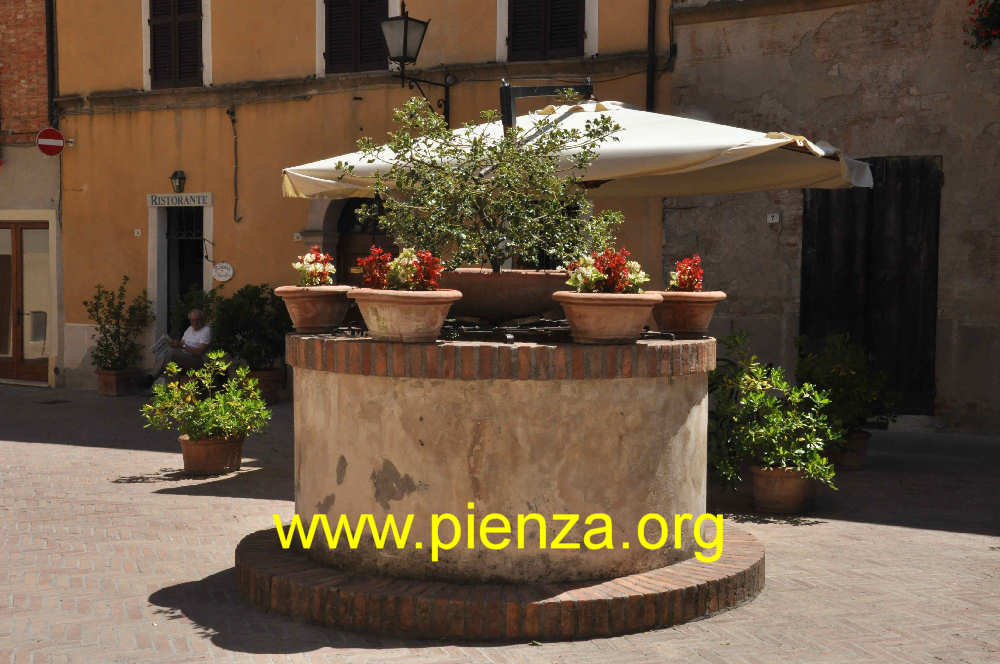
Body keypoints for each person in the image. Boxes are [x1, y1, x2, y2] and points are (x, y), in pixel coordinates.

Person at [152, 308, 212, 376]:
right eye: (192, 320)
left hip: (197, 360)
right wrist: (174, 343)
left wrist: (183, 346)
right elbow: (181, 343)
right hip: (184, 355)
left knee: (171, 353)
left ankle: (154, 376)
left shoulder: (206, 330)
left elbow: (199, 352)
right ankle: (155, 375)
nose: (195, 323)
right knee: (165, 351)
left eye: (197, 320)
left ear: (202, 320)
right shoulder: (190, 329)